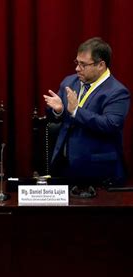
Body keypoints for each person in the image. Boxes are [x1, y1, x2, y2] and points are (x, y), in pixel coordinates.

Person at [43, 37, 130, 186]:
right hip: (65, 167)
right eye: (77, 62)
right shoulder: (70, 82)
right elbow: (58, 118)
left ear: (101, 65)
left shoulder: (117, 92)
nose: (77, 68)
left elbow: (110, 124)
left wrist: (76, 111)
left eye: (83, 64)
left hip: (98, 172)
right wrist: (59, 110)